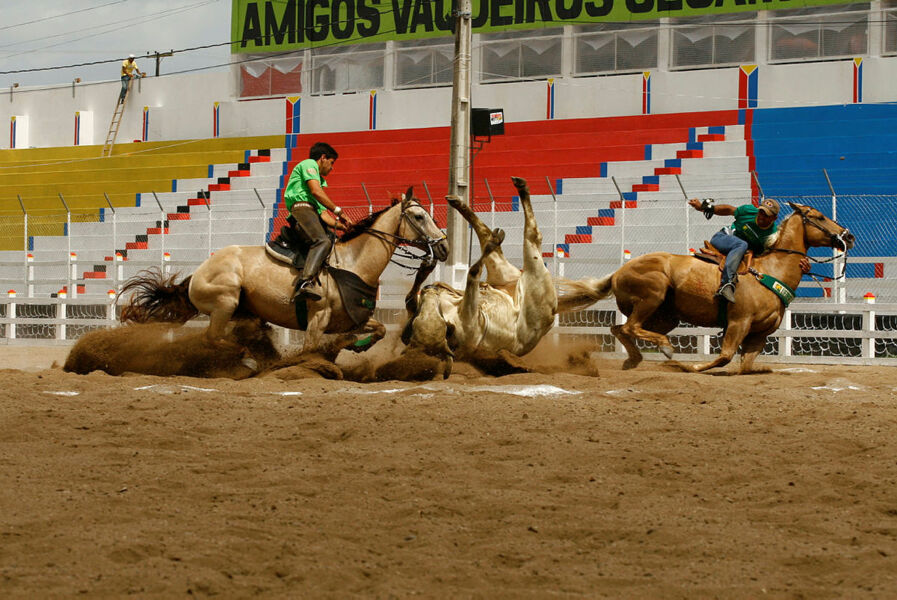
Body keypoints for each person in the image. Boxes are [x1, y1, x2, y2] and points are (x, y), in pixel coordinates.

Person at [282, 142, 354, 301]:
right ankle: (305, 282)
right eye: (332, 162)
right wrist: (339, 211)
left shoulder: (319, 182)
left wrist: (343, 227)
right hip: (301, 209)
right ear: (323, 158)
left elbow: (323, 216)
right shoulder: (309, 164)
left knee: (334, 242)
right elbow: (316, 192)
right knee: (322, 241)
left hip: (312, 213)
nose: (332, 168)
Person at [688, 197, 780, 303]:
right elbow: (729, 210)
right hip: (722, 238)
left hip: (740, 253)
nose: (761, 216)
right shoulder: (749, 211)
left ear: (774, 218)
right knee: (742, 244)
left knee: (744, 248)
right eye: (761, 212)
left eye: (766, 215)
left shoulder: (771, 236)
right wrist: (704, 208)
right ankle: (726, 284)